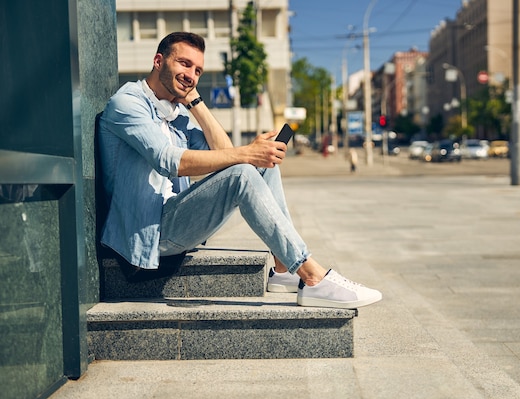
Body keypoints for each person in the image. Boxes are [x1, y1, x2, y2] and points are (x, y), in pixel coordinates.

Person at [98, 32, 382, 309]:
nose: (191, 75)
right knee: (244, 171)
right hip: (147, 231)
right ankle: (312, 277)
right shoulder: (128, 103)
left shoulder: (177, 114)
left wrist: (196, 103)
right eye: (184, 64)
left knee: (258, 167)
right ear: (158, 61)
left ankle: (283, 268)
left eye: (198, 70)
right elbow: (169, 160)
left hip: (174, 218)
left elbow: (224, 152)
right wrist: (246, 153)